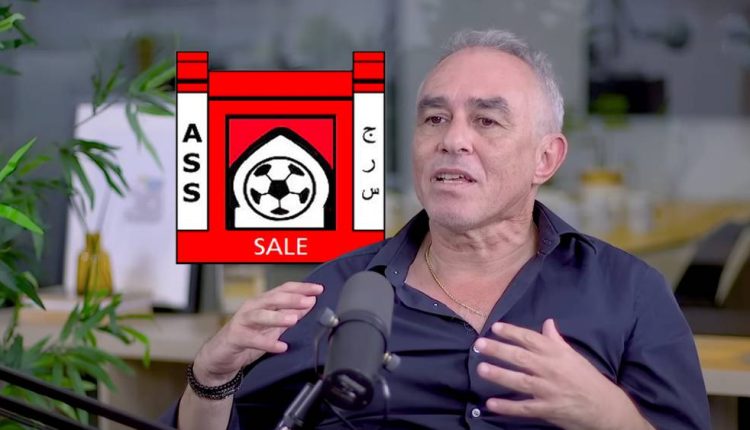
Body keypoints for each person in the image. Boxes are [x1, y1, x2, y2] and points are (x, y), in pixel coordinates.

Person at [161, 29, 710, 429]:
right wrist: (210, 376)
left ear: (546, 158)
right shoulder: (332, 293)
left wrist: (608, 415)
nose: (453, 140)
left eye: (487, 120)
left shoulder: (628, 292)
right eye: (434, 118)